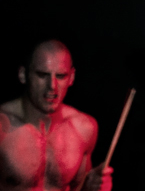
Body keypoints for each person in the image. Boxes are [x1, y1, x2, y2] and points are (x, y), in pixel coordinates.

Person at [0, 40, 113, 191]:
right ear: (23, 75)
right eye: (42, 75)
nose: (52, 86)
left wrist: (92, 188)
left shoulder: (84, 129)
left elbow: (78, 189)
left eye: (60, 76)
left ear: (71, 77)